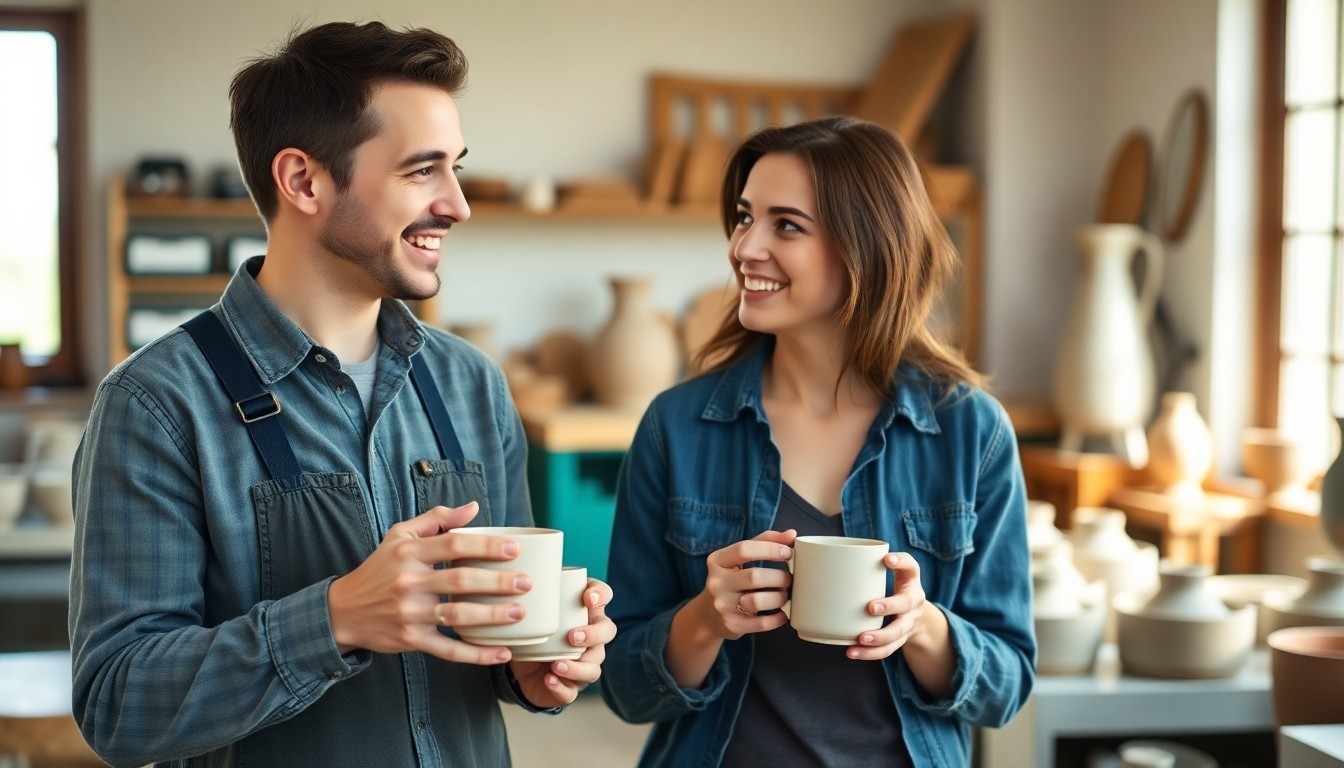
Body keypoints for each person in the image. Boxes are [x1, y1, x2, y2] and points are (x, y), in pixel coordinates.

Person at [69, 20, 615, 767]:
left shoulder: (470, 385)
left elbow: (503, 643)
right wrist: (332, 620)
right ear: (303, 181)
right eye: (423, 171)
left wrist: (539, 665)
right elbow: (118, 706)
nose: (456, 204)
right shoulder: (156, 404)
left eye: (455, 168)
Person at [599, 116, 1035, 767]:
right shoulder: (677, 427)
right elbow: (626, 689)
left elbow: (1006, 686)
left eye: (787, 225)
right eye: (745, 217)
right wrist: (705, 620)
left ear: (867, 247)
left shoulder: (971, 432)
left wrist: (920, 625)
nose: (745, 247)